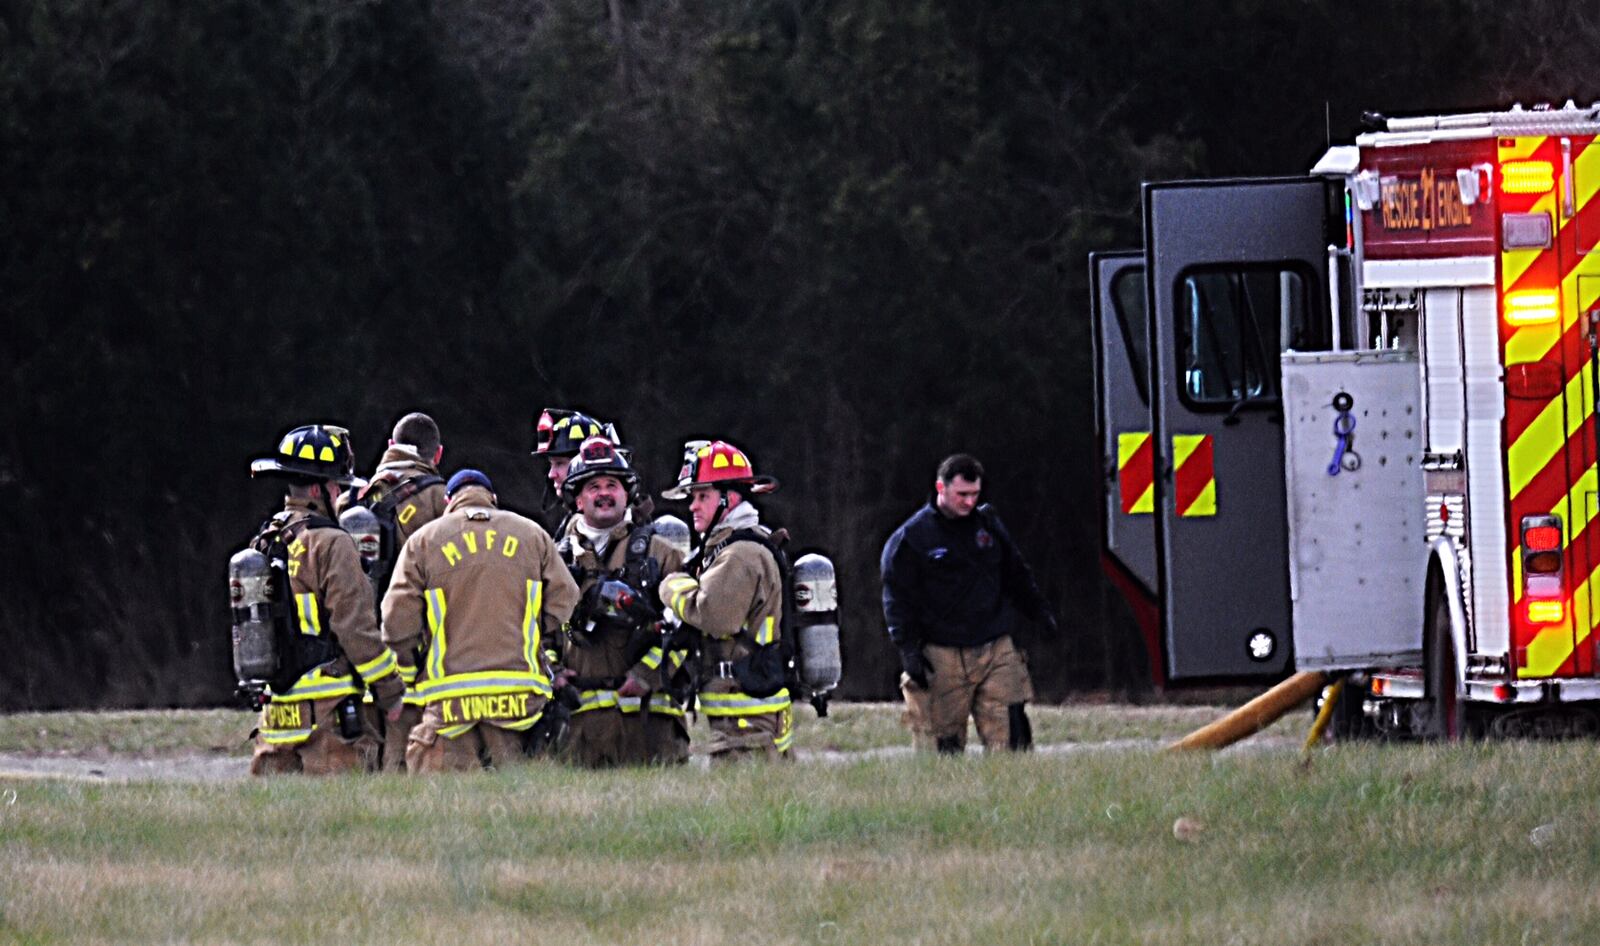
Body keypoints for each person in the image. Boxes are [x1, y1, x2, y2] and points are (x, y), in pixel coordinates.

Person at [381, 469, 579, 772]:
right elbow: (566, 597)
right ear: (493, 499)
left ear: (449, 501)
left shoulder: (423, 541)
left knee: (451, 806)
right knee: (517, 803)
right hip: (519, 698)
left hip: (449, 703)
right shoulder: (532, 534)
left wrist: (409, 668)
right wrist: (530, 628)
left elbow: (396, 621)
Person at [246, 423, 407, 775]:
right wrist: (390, 692)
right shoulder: (332, 542)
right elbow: (355, 627)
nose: (340, 495)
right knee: (346, 821)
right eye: (337, 487)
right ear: (320, 489)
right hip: (328, 712)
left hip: (277, 713)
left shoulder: (265, 540)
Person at [880, 453, 1057, 754]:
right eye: (962, 494)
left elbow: (1015, 574)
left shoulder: (988, 526)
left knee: (1012, 737)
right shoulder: (912, 539)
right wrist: (908, 649)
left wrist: (1039, 613)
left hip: (994, 645)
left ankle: (1016, 794)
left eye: (974, 494)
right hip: (942, 652)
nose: (969, 502)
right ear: (941, 488)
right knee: (940, 744)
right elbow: (897, 599)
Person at [551, 435, 689, 766]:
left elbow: (686, 632)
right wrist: (552, 670)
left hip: (650, 731)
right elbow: (535, 629)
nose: (603, 493)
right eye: (593, 486)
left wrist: (646, 674)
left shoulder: (661, 554)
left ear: (626, 493)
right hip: (580, 736)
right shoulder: (554, 560)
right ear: (578, 500)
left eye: (612, 484)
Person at [658, 440, 793, 761]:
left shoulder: (740, 555)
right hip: (743, 718)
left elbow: (715, 616)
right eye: (692, 497)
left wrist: (671, 585)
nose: (692, 506)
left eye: (702, 496)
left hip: (746, 723)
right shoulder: (733, 548)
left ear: (730, 498)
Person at [349, 411, 448, 772]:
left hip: (360, 643)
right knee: (406, 740)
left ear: (391, 447)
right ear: (436, 455)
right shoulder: (439, 496)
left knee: (365, 739)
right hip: (414, 646)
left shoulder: (351, 497)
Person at [531, 408, 614, 527]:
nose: (551, 474)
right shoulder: (574, 525)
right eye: (551, 464)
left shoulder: (612, 522)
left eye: (560, 463)